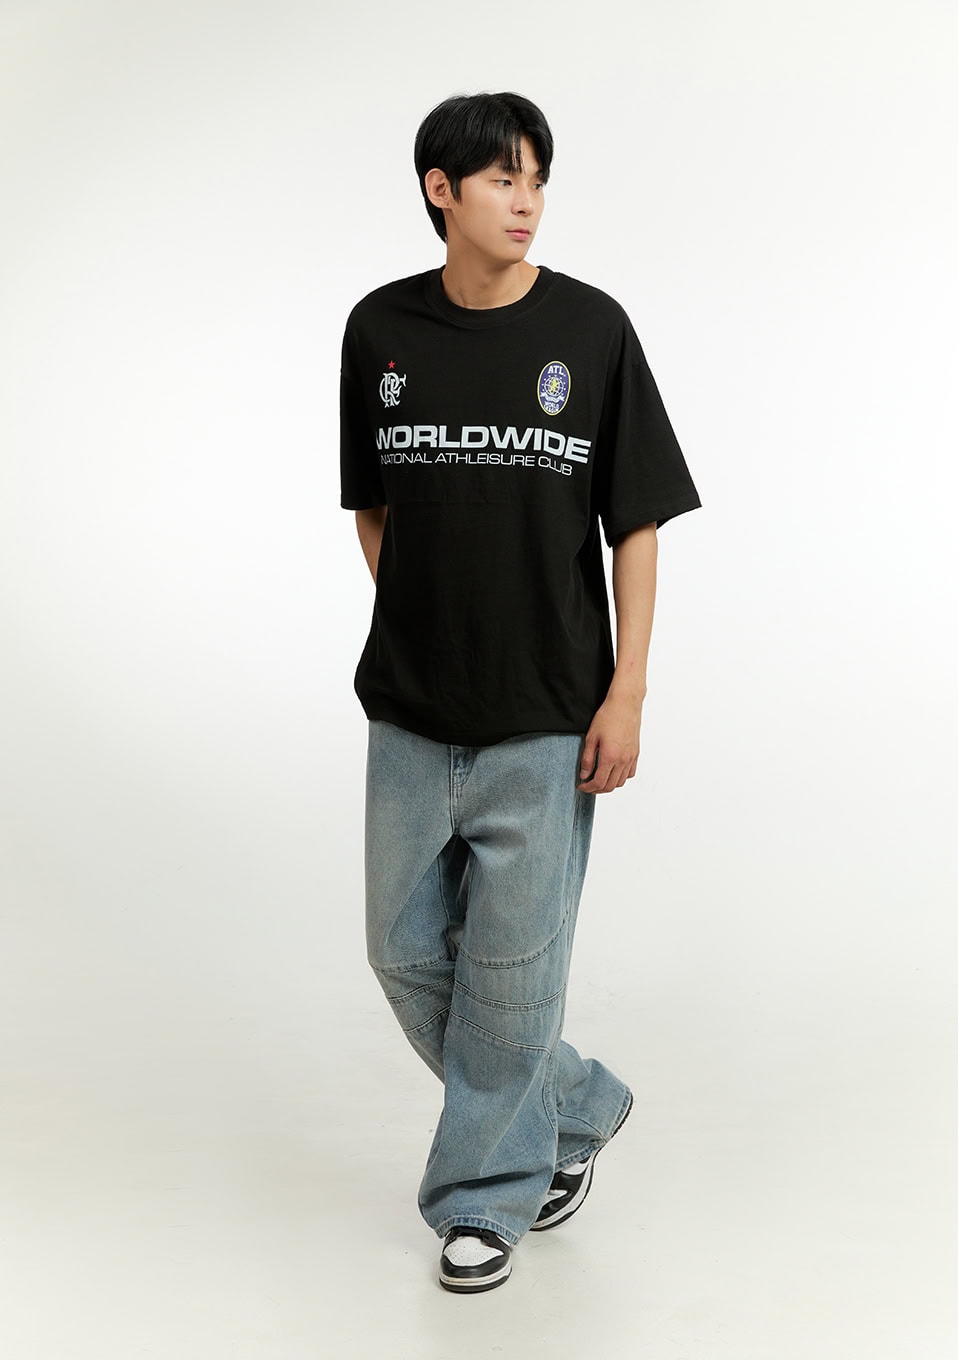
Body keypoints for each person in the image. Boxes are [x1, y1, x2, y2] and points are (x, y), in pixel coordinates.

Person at [339, 91, 700, 1294]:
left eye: (537, 176)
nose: (527, 199)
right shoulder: (378, 330)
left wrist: (628, 689)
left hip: (548, 717)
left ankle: (483, 1197)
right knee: (403, 953)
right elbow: (372, 508)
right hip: (409, 710)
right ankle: (575, 1103)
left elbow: (634, 522)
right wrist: (431, 619)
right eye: (502, 177)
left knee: (508, 974)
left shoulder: (591, 331)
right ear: (441, 190)